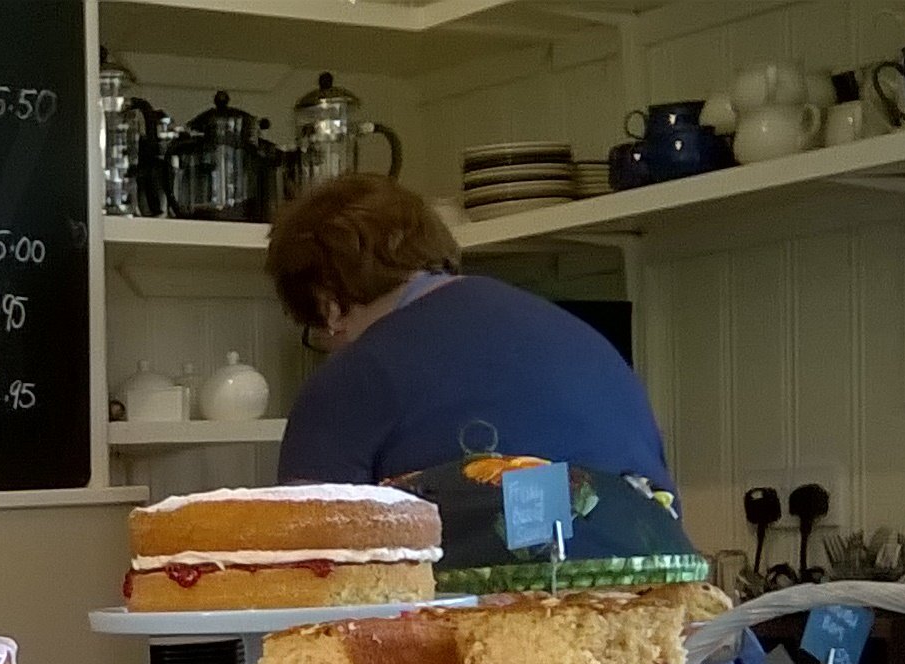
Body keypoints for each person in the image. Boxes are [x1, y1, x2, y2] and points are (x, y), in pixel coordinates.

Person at [266, 174, 672, 489]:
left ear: (329, 305)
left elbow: (310, 551)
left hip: (493, 577)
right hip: (661, 568)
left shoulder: (351, 379)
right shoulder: (581, 339)